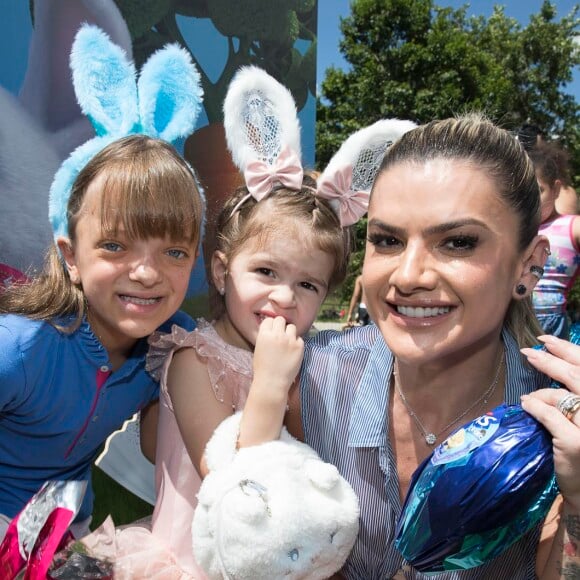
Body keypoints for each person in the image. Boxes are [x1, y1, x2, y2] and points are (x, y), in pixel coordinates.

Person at [237, 113, 580, 579]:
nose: (408, 275)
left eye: (457, 242)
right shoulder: (310, 383)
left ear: (528, 266)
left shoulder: (560, 420)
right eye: (387, 240)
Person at [0, 23, 206, 543]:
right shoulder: (20, 347)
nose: (146, 272)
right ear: (70, 256)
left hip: (70, 537)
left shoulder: (176, 341)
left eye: (174, 251)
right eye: (115, 246)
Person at [529, 140, 580, 339]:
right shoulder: (516, 228)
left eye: (539, 190)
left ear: (556, 190)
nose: (531, 200)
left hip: (551, 325)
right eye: (526, 192)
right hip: (510, 321)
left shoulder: (572, 226)